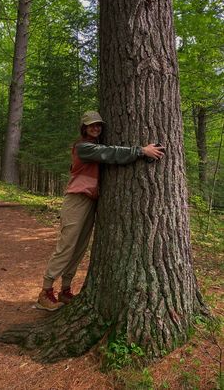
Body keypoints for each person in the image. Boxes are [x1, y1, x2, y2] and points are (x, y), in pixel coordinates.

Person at [36, 111, 165, 311]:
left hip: (90, 201)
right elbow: (110, 153)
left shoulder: (93, 145)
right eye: (91, 125)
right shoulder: (83, 147)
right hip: (76, 200)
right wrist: (141, 151)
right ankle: (45, 291)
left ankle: (65, 290)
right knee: (67, 245)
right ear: (84, 128)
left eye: (98, 125)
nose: (95, 128)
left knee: (79, 247)